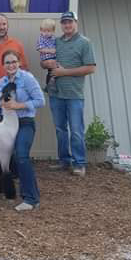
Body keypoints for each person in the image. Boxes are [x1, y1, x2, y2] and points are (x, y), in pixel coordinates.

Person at [43, 12, 96, 177]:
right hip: (55, 93)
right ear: (61, 25)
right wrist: (46, 63)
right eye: (64, 22)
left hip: (74, 95)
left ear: (76, 23)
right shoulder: (55, 42)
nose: (67, 25)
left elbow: (90, 68)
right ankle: (64, 161)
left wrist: (64, 72)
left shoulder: (85, 43)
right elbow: (44, 61)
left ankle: (79, 163)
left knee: (76, 130)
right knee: (60, 129)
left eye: (70, 22)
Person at [0, 50, 45, 212]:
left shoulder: (27, 78)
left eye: (14, 61)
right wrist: (2, 106)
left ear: (19, 62)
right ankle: (9, 190)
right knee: (7, 158)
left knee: (21, 155)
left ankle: (31, 199)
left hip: (24, 122)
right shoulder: (2, 81)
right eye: (7, 62)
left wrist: (18, 105)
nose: (11, 65)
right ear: (3, 65)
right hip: (6, 124)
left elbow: (40, 101)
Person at [0, 13, 30, 83]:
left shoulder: (17, 44)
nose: (2, 27)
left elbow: (24, 69)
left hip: (13, 90)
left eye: (4, 24)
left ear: (8, 26)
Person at [36, 18, 57, 92]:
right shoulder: (41, 38)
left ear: (53, 31)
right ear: (41, 30)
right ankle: (48, 85)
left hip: (54, 57)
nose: (46, 33)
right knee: (50, 71)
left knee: (54, 72)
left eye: (48, 31)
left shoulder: (54, 38)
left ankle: (53, 84)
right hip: (46, 58)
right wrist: (51, 51)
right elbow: (40, 49)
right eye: (44, 31)